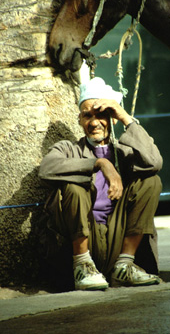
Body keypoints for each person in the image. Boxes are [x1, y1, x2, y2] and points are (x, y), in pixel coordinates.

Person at [39, 77, 163, 291]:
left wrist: (125, 117)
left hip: (119, 238)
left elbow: (154, 162)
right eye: (88, 115)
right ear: (80, 120)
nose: (94, 122)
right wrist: (100, 163)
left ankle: (124, 267)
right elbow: (47, 169)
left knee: (151, 181)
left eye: (101, 115)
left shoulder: (125, 153)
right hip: (82, 241)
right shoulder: (68, 149)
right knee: (73, 187)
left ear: (112, 118)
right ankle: (83, 267)